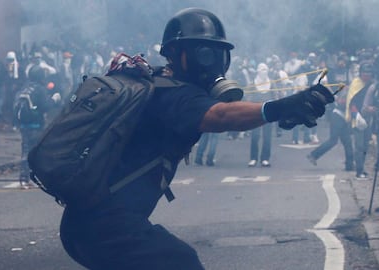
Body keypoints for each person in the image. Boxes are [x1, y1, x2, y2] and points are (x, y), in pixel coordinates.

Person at [59, 8, 333, 269]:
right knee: (180, 262)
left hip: (88, 223)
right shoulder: (173, 94)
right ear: (180, 55)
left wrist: (275, 113)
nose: (212, 62)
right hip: (105, 227)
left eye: (217, 54)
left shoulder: (157, 81)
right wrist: (277, 108)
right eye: (204, 53)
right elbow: (222, 116)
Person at [15, 65, 61, 189]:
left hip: (24, 126)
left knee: (25, 151)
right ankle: (38, 177)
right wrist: (54, 99)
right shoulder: (40, 89)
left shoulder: (25, 88)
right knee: (38, 153)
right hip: (36, 125)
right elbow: (45, 106)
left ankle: (24, 179)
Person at [345, 62, 376, 179]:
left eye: (368, 74)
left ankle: (362, 168)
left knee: (365, 146)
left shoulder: (372, 84)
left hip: (369, 118)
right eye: (364, 73)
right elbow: (351, 101)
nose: (366, 76)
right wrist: (356, 116)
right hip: (357, 118)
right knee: (359, 146)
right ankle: (359, 171)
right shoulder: (356, 83)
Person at [248, 63, 274, 167]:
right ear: (258, 71)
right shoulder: (252, 83)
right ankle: (253, 158)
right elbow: (248, 98)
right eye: (262, 70)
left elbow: (276, 96)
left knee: (267, 137)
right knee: (255, 136)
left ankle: (265, 158)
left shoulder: (271, 83)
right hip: (255, 113)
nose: (264, 72)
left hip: (268, 114)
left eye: (266, 69)